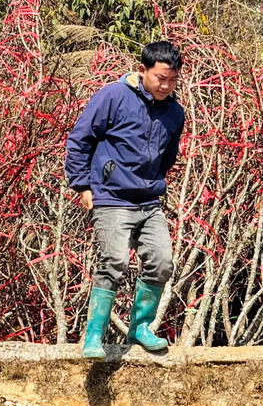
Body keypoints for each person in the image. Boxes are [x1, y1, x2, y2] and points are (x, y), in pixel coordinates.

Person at [65, 40, 185, 359]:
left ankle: (141, 328)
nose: (166, 85)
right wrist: (82, 185)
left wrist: (151, 182)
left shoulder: (175, 112)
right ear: (143, 70)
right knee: (114, 261)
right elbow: (80, 139)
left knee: (162, 262)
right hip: (110, 197)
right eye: (161, 78)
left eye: (173, 80)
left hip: (149, 201)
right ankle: (93, 337)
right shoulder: (113, 96)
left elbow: (167, 156)